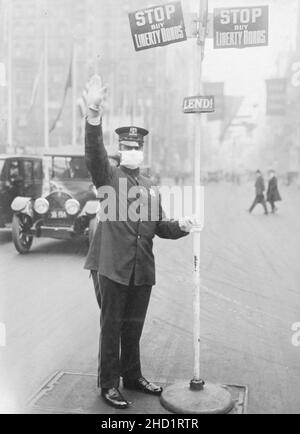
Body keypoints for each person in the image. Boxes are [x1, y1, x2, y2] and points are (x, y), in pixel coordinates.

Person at [84, 76, 197, 410]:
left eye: (137, 148)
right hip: (112, 266)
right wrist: (93, 113)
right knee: (111, 327)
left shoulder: (150, 185)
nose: (132, 152)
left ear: (142, 152)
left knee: (133, 328)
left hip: (141, 269)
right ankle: (109, 384)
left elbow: (158, 225)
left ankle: (132, 377)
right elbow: (93, 151)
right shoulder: (108, 176)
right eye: (127, 147)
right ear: (120, 150)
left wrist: (183, 225)